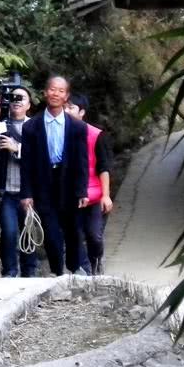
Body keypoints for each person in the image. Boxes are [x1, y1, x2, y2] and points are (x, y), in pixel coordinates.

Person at [19, 74, 89, 275]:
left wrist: (82, 190)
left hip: (69, 183)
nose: (55, 94)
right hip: (43, 183)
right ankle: (57, 271)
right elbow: (26, 163)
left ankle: (75, 268)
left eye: (60, 90)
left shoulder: (77, 127)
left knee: (73, 230)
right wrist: (26, 194)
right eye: (52, 89)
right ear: (44, 93)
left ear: (66, 96)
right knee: (50, 231)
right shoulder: (31, 126)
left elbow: (82, 161)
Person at [0, 86, 38, 277]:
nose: (17, 101)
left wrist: (17, 148)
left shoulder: (35, 126)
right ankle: (9, 272)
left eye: (22, 98)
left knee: (28, 232)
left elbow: (42, 157)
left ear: (29, 104)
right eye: (13, 98)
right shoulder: (1, 124)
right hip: (5, 192)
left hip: (29, 192)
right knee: (9, 233)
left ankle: (29, 273)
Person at [66, 93, 113, 274]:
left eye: (71, 107)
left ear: (82, 112)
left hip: (94, 195)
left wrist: (106, 195)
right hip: (70, 195)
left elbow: (104, 167)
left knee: (94, 236)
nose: (66, 111)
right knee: (74, 235)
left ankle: (96, 261)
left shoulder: (95, 135)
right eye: (64, 107)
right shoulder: (58, 134)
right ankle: (83, 270)